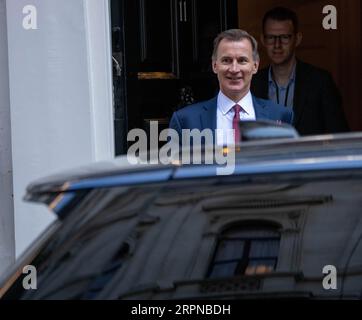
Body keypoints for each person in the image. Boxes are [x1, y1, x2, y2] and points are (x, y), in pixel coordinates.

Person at [169, 29, 293, 146]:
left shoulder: (280, 116)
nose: (234, 69)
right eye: (226, 60)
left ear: (255, 66)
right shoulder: (185, 121)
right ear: (214, 65)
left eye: (242, 60)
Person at [251, 6, 349, 135]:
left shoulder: (321, 82)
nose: (277, 45)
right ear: (263, 40)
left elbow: (340, 135)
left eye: (285, 37)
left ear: (297, 39)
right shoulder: (251, 84)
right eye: (271, 37)